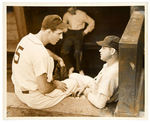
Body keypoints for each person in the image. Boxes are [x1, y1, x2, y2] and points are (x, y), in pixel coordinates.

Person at [11, 15, 78, 109]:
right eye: (59, 33)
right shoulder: (40, 54)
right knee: (74, 82)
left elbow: (43, 50)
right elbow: (44, 89)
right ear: (49, 31)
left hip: (19, 90)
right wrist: (55, 83)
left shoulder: (27, 39)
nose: (61, 37)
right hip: (35, 99)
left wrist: (58, 58)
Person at [69, 35, 120, 109]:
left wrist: (86, 92)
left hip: (98, 94)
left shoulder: (110, 74)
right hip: (97, 87)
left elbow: (100, 104)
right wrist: (85, 86)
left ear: (112, 51)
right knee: (73, 76)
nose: (100, 50)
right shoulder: (111, 64)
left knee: (72, 83)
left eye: (104, 48)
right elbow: (96, 80)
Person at [61, 7, 95, 75]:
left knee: (77, 52)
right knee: (64, 51)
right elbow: (63, 24)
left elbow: (92, 22)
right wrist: (66, 30)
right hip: (70, 33)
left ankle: (80, 70)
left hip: (79, 33)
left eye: (71, 10)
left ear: (75, 7)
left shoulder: (82, 14)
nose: (70, 12)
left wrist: (85, 32)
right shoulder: (66, 15)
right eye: (69, 10)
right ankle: (70, 68)